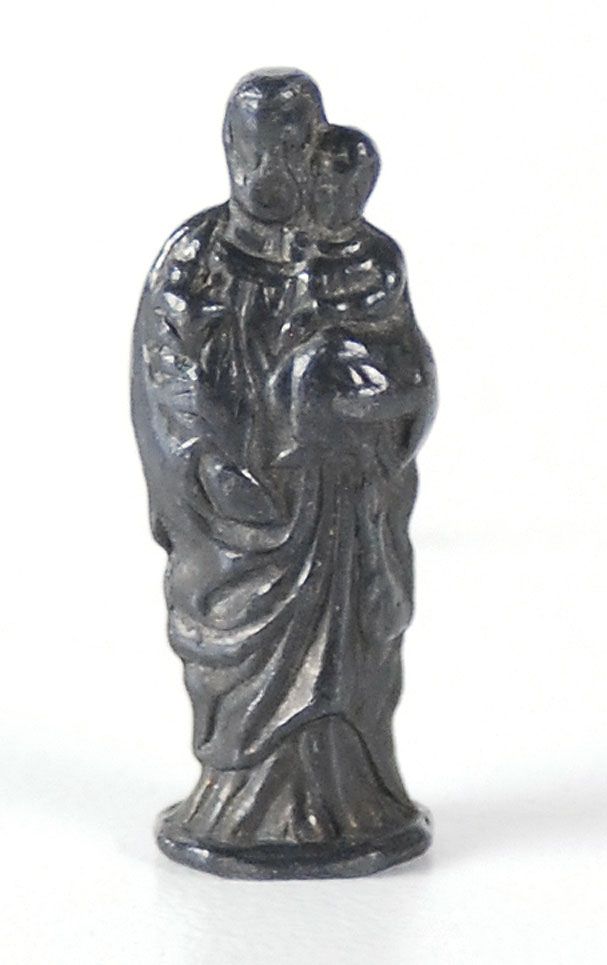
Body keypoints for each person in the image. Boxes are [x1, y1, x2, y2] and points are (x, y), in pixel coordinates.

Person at [132, 68, 437, 877]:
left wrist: (360, 396)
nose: (269, 168)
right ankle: (237, 802)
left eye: (288, 146)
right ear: (229, 148)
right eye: (253, 147)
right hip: (239, 514)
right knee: (236, 646)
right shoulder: (196, 257)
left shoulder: (363, 255)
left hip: (341, 503)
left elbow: (408, 366)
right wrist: (209, 468)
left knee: (352, 650)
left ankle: (352, 801)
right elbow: (167, 377)